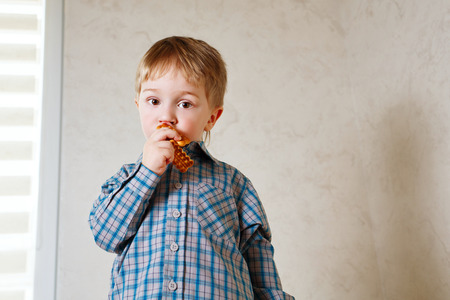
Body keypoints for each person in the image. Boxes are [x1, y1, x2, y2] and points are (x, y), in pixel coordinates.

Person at [89, 36, 294, 299]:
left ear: (211, 117)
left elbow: (260, 261)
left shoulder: (234, 183)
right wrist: (147, 173)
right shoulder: (127, 178)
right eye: (154, 101)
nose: (166, 116)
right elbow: (105, 235)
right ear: (138, 105)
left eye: (184, 104)